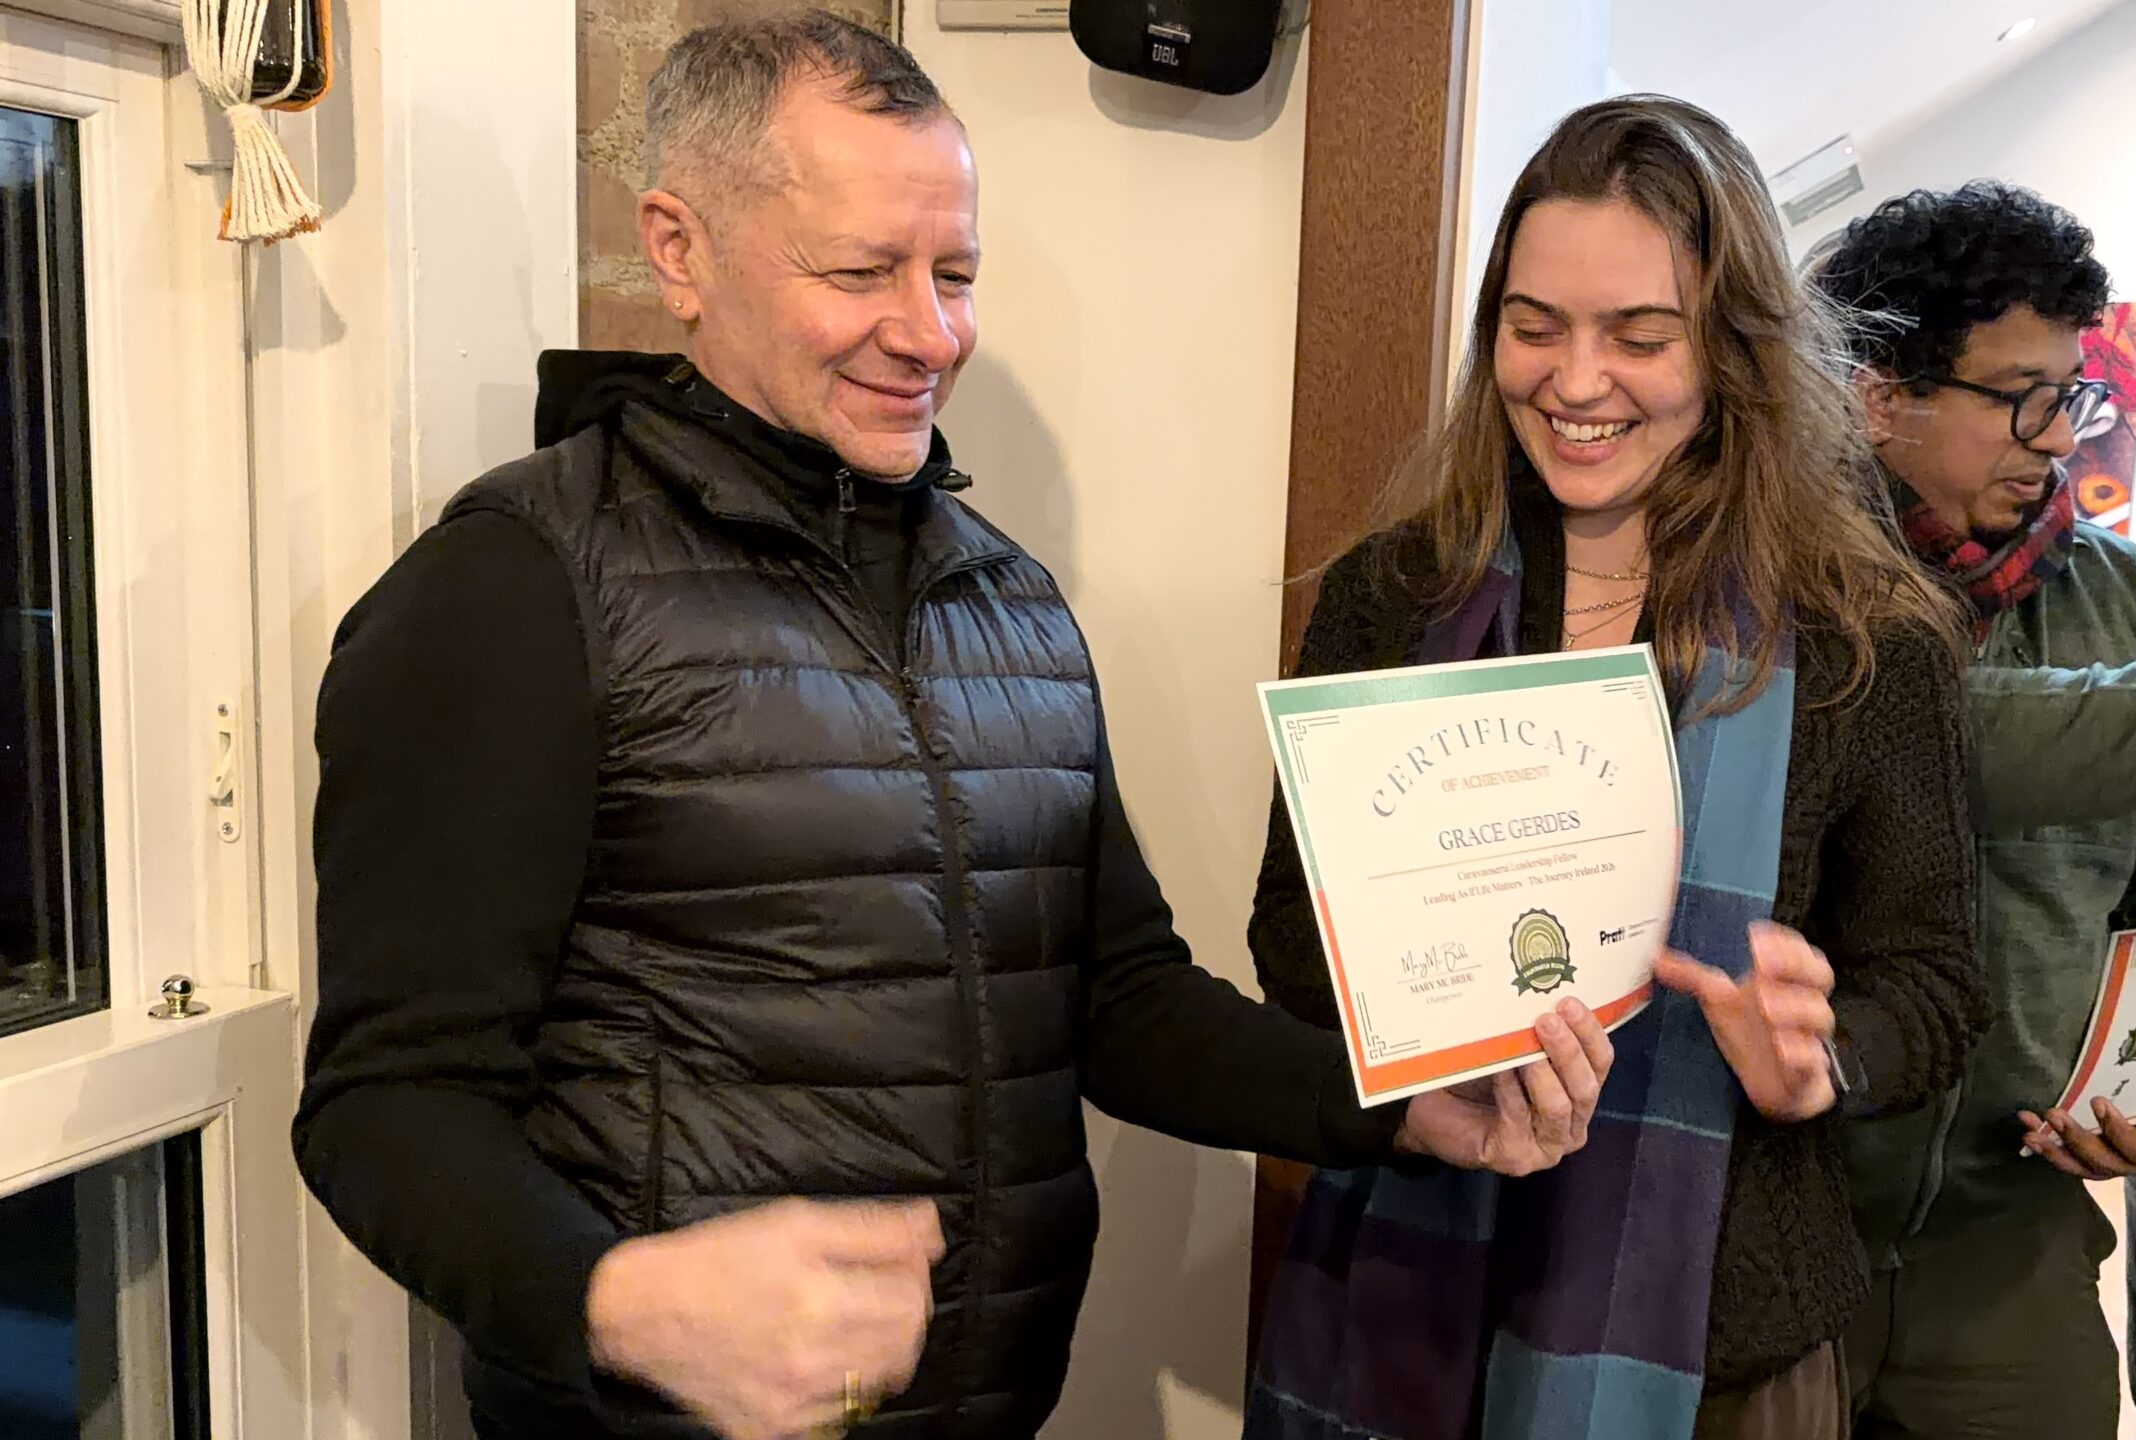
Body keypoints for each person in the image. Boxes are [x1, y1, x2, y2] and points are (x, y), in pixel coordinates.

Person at [289, 16, 1613, 1440]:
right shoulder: (513, 589)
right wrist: (616, 1299)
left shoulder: (1010, 601)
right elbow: (384, 1104)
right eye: (861, 272)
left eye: (956, 274)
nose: (931, 333)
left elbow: (1119, 1003)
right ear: (679, 250)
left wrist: (1399, 1106)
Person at [1245, 96, 1987, 1440]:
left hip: (1718, 1349)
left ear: (1732, 350)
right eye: (1534, 327)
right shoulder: (1394, 596)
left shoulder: (1864, 640)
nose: (1576, 383)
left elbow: (1936, 984)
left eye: (1640, 338)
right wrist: (1428, 1022)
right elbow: (1290, 936)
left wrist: (1824, 1055)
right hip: (1408, 1293)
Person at [1806, 180, 2136, 1440]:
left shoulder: (2119, 596)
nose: (2059, 437)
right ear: (1877, 395)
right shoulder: (1765, 588)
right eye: (2020, 397)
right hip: (1763, 1235)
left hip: (2014, 1242)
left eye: (2071, 395)